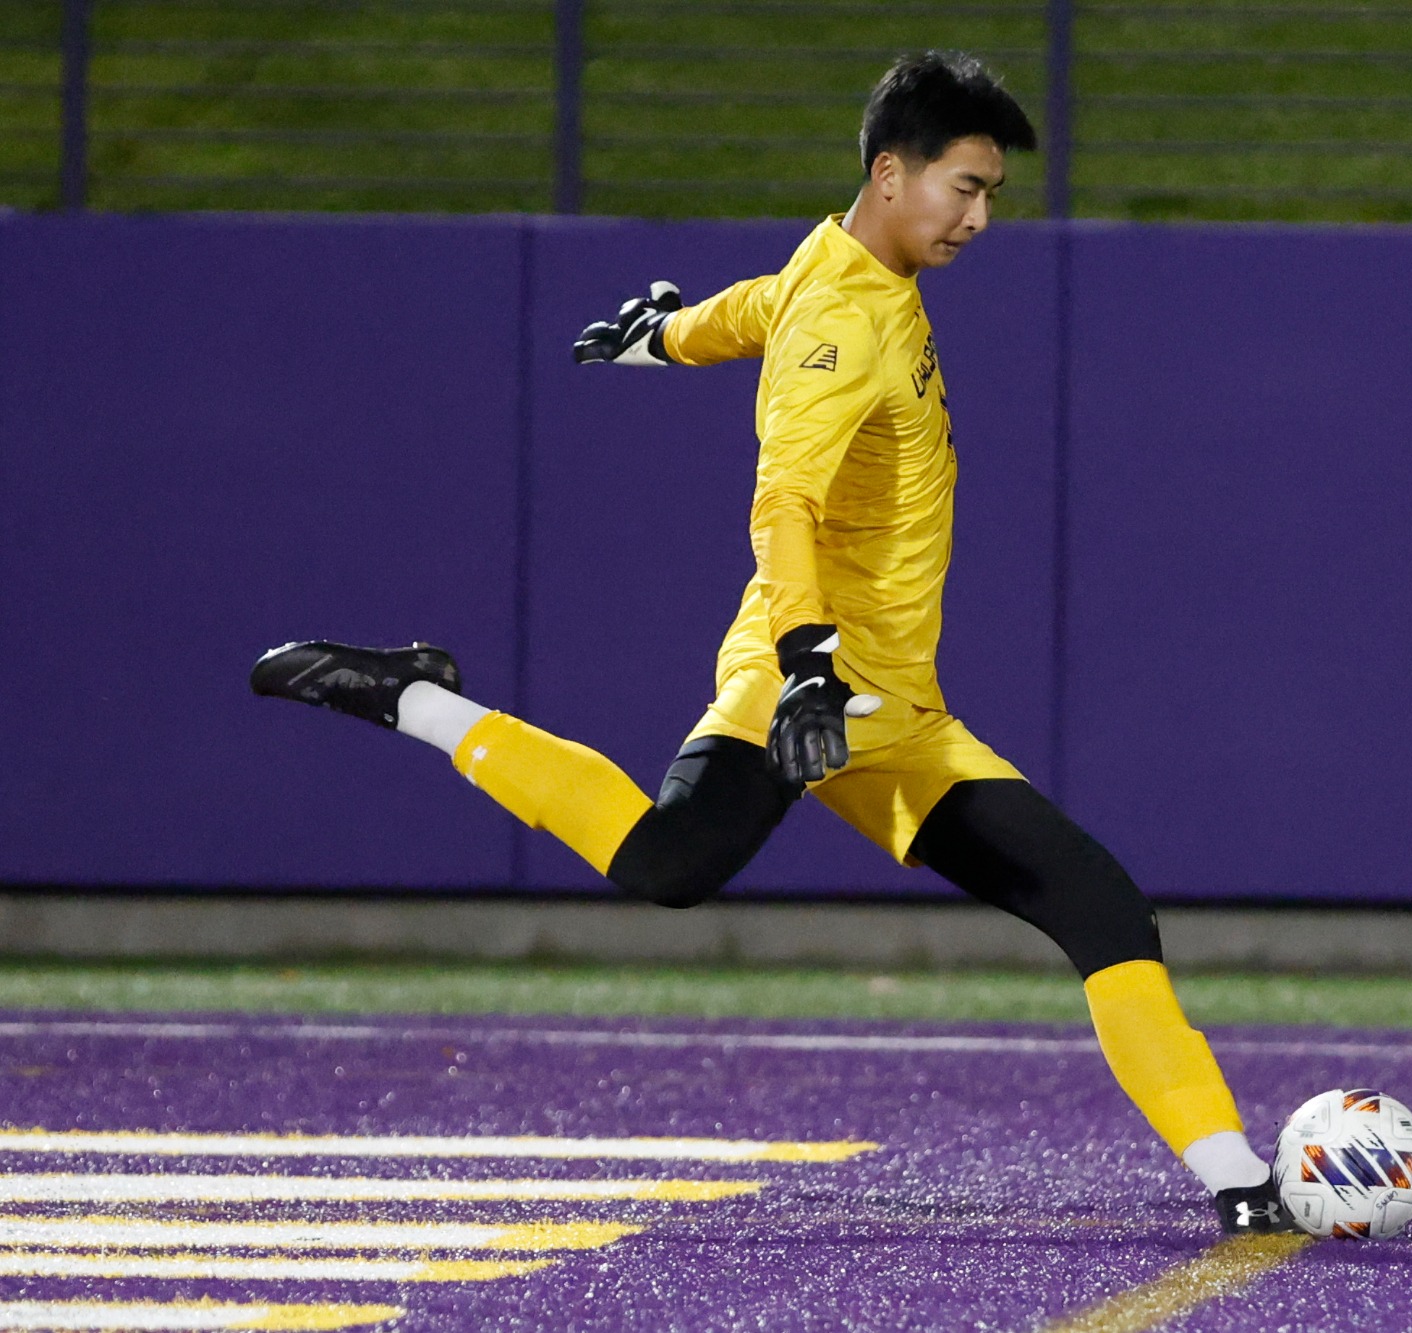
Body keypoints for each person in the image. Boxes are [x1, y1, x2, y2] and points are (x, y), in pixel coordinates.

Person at [252, 50, 1292, 1236]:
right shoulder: (848, 319)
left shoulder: (836, 267)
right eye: (964, 186)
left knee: (1102, 907)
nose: (979, 215)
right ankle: (415, 701)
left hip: (898, 711)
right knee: (664, 868)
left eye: (992, 192)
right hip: (805, 679)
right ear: (891, 173)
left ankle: (1238, 1181)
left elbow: (759, 305)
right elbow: (781, 501)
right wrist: (802, 666)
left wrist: (667, 337)